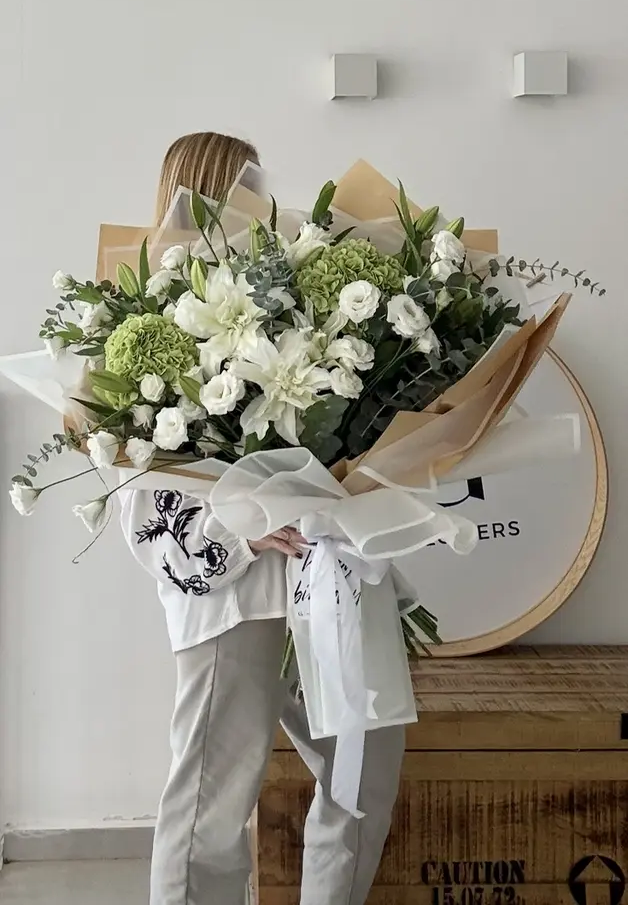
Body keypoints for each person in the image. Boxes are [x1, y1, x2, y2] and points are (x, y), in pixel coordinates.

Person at [120, 131, 405, 905]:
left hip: (329, 577)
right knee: (211, 802)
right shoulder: (148, 307)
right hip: (235, 596)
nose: (263, 196)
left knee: (363, 777)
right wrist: (237, 532)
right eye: (248, 182)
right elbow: (142, 487)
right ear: (209, 189)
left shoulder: (291, 295)